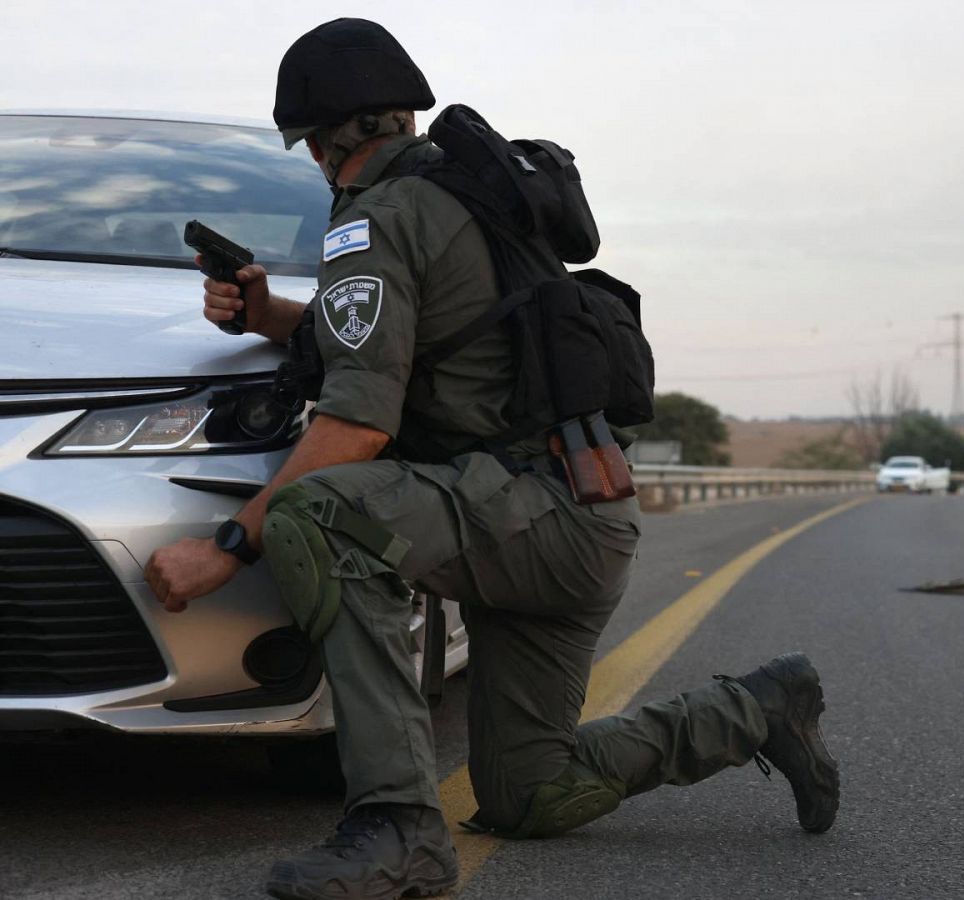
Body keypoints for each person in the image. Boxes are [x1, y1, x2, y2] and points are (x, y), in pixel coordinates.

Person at [140, 19, 838, 900]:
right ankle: (759, 709)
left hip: (524, 514)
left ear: (321, 145)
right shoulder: (460, 195)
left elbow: (355, 428)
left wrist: (226, 548)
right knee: (530, 791)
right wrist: (269, 313)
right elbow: (402, 339)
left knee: (313, 515)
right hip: (578, 515)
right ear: (397, 119)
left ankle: (398, 828)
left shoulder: (377, 219)